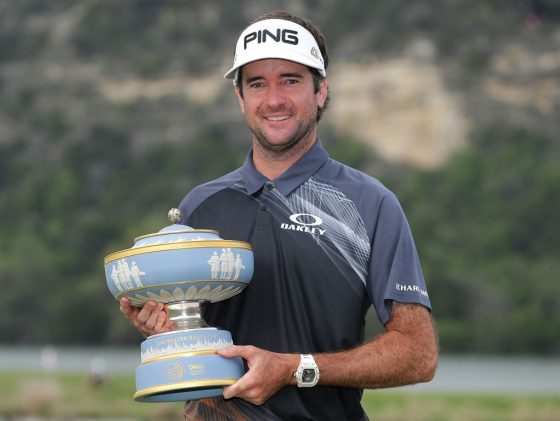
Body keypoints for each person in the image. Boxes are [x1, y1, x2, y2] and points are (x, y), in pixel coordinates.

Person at [120, 10, 438, 420]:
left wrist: (296, 369)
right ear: (240, 98)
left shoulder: (371, 205)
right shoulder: (200, 207)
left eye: (290, 80)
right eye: (257, 83)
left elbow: (418, 353)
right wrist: (165, 327)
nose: (273, 99)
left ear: (321, 91)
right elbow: (194, 345)